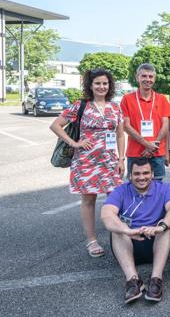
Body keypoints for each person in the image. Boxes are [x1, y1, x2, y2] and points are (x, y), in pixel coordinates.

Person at [50, 68, 125, 258]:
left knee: (116, 198)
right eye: (97, 83)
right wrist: (74, 143)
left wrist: (121, 158)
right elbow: (55, 125)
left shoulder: (115, 108)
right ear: (90, 86)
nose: (101, 87)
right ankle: (91, 241)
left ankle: (119, 236)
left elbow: (119, 135)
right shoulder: (80, 106)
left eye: (105, 83)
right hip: (86, 161)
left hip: (109, 161)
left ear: (110, 86)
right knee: (89, 200)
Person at [100, 158, 170, 304]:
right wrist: (127, 230)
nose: (141, 177)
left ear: (153, 173)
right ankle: (133, 281)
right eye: (137, 174)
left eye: (145, 173)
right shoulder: (120, 190)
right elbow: (106, 215)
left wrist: (159, 227)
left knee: (166, 227)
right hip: (129, 245)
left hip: (156, 243)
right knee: (117, 229)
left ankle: (156, 279)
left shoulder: (165, 188)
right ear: (130, 175)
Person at [120, 63, 170, 180]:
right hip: (135, 153)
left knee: (157, 188)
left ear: (154, 78)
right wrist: (146, 144)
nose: (147, 79)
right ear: (137, 77)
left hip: (156, 153)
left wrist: (153, 146)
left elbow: (165, 125)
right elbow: (126, 126)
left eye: (150, 76)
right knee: (135, 188)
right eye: (144, 76)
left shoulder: (162, 99)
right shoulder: (127, 99)